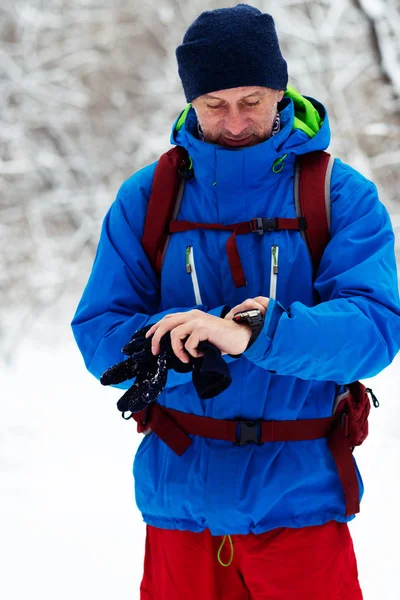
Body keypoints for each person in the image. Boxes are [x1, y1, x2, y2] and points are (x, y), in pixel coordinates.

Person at [71, 5, 400, 599]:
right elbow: (99, 329)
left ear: (280, 90)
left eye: (251, 100)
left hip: (300, 507)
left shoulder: (339, 194)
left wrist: (261, 333)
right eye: (213, 105)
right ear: (190, 103)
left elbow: (374, 331)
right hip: (181, 508)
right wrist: (169, 344)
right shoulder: (146, 198)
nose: (235, 121)